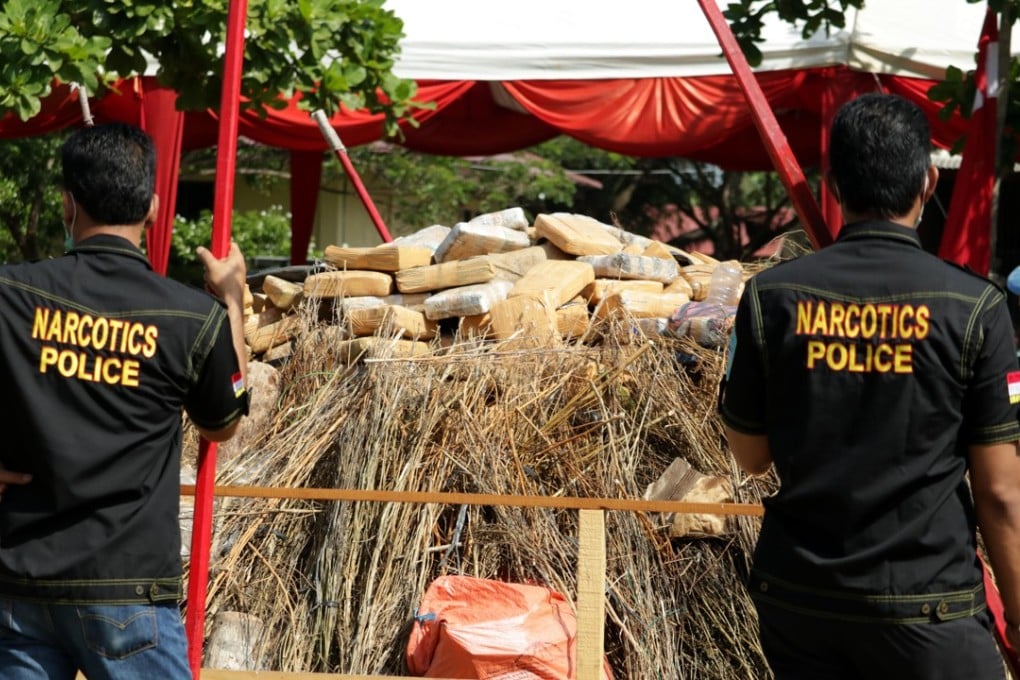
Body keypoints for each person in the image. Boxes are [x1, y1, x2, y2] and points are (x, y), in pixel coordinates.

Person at [720, 92, 1020, 679]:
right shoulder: (975, 308)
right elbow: (1001, 492)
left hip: (803, 603)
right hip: (928, 608)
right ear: (929, 181)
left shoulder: (770, 298)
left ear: (833, 184)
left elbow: (751, 457)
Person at [0, 123, 249, 679]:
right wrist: (231, 297)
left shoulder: (12, 296)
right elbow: (225, 421)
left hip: (22, 586)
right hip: (128, 588)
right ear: (154, 208)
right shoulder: (191, 317)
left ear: (68, 204)